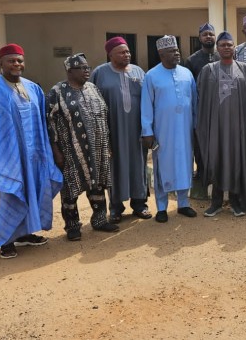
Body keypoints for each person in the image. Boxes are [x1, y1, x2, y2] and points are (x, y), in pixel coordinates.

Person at [0, 43, 63, 259]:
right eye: (11, 61)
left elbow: (42, 122)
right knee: (7, 192)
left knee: (31, 191)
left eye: (19, 60)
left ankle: (25, 233)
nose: (16, 64)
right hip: (5, 157)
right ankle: (6, 241)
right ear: (1, 64)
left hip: (33, 155)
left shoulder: (33, 88)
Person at [46, 53, 119, 240]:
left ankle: (99, 220)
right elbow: (49, 123)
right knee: (71, 189)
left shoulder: (93, 88)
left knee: (98, 185)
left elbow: (104, 116)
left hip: (98, 148)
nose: (87, 71)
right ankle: (72, 226)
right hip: (71, 152)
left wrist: (108, 145)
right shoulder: (57, 92)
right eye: (82, 68)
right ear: (70, 71)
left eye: (88, 67)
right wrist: (56, 151)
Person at [90, 37, 151, 223]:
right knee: (114, 167)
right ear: (110, 54)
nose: (127, 55)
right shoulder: (100, 73)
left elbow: (148, 100)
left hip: (136, 130)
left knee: (139, 164)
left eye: (128, 51)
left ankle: (140, 204)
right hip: (113, 130)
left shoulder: (139, 72)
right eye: (122, 52)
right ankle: (116, 208)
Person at [197, 31, 246, 217]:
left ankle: (235, 201)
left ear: (234, 47)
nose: (226, 48)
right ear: (217, 48)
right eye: (222, 45)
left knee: (236, 159)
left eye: (229, 45)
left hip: (239, 126)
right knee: (216, 158)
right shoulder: (208, 70)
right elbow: (202, 98)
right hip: (216, 126)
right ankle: (216, 202)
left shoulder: (245, 69)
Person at [141, 35, 198, 223]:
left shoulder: (187, 74)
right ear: (161, 54)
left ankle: (183, 203)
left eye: (177, 50)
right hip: (163, 131)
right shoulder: (151, 76)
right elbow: (146, 105)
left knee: (185, 165)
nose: (177, 54)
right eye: (172, 51)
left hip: (185, 130)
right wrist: (147, 131)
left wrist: (196, 125)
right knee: (162, 168)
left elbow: (195, 102)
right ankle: (161, 207)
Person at [183, 22, 219, 180]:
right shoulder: (192, 60)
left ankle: (218, 171)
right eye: (205, 34)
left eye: (211, 34)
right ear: (199, 38)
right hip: (201, 108)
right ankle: (202, 172)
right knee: (201, 141)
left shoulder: (222, 56)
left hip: (220, 107)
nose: (208, 37)